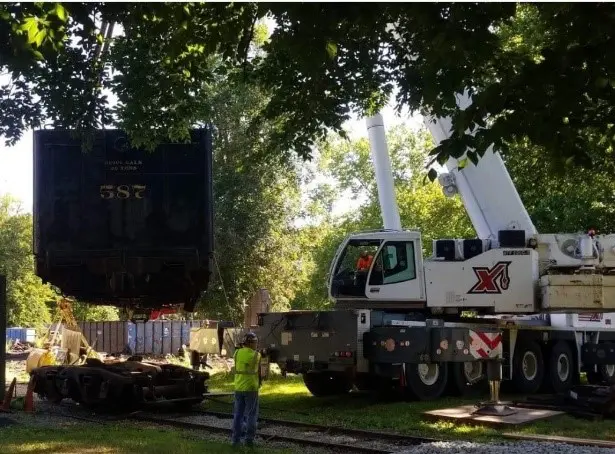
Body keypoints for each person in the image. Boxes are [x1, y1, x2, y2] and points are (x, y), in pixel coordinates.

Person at [231, 332, 262, 448]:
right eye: (255, 343)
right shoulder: (256, 355)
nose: (256, 345)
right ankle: (249, 440)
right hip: (251, 388)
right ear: (251, 343)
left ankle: (235, 440)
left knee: (238, 415)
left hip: (238, 387)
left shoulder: (237, 353)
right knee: (251, 415)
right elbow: (259, 371)